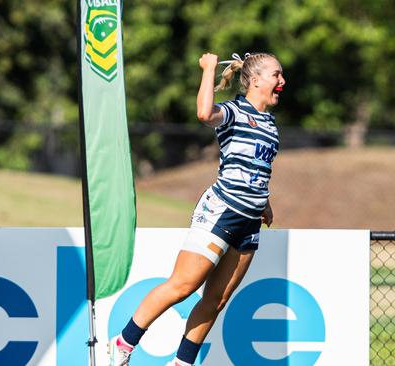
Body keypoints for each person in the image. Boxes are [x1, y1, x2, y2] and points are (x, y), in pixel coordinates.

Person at [108, 51, 286, 366]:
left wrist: (265, 203)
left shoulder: (270, 124)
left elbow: (255, 167)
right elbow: (204, 113)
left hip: (249, 222)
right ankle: (123, 343)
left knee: (216, 300)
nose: (282, 82)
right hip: (222, 211)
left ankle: (182, 362)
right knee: (184, 285)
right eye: (277, 75)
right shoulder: (235, 111)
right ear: (256, 81)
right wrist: (207, 69)